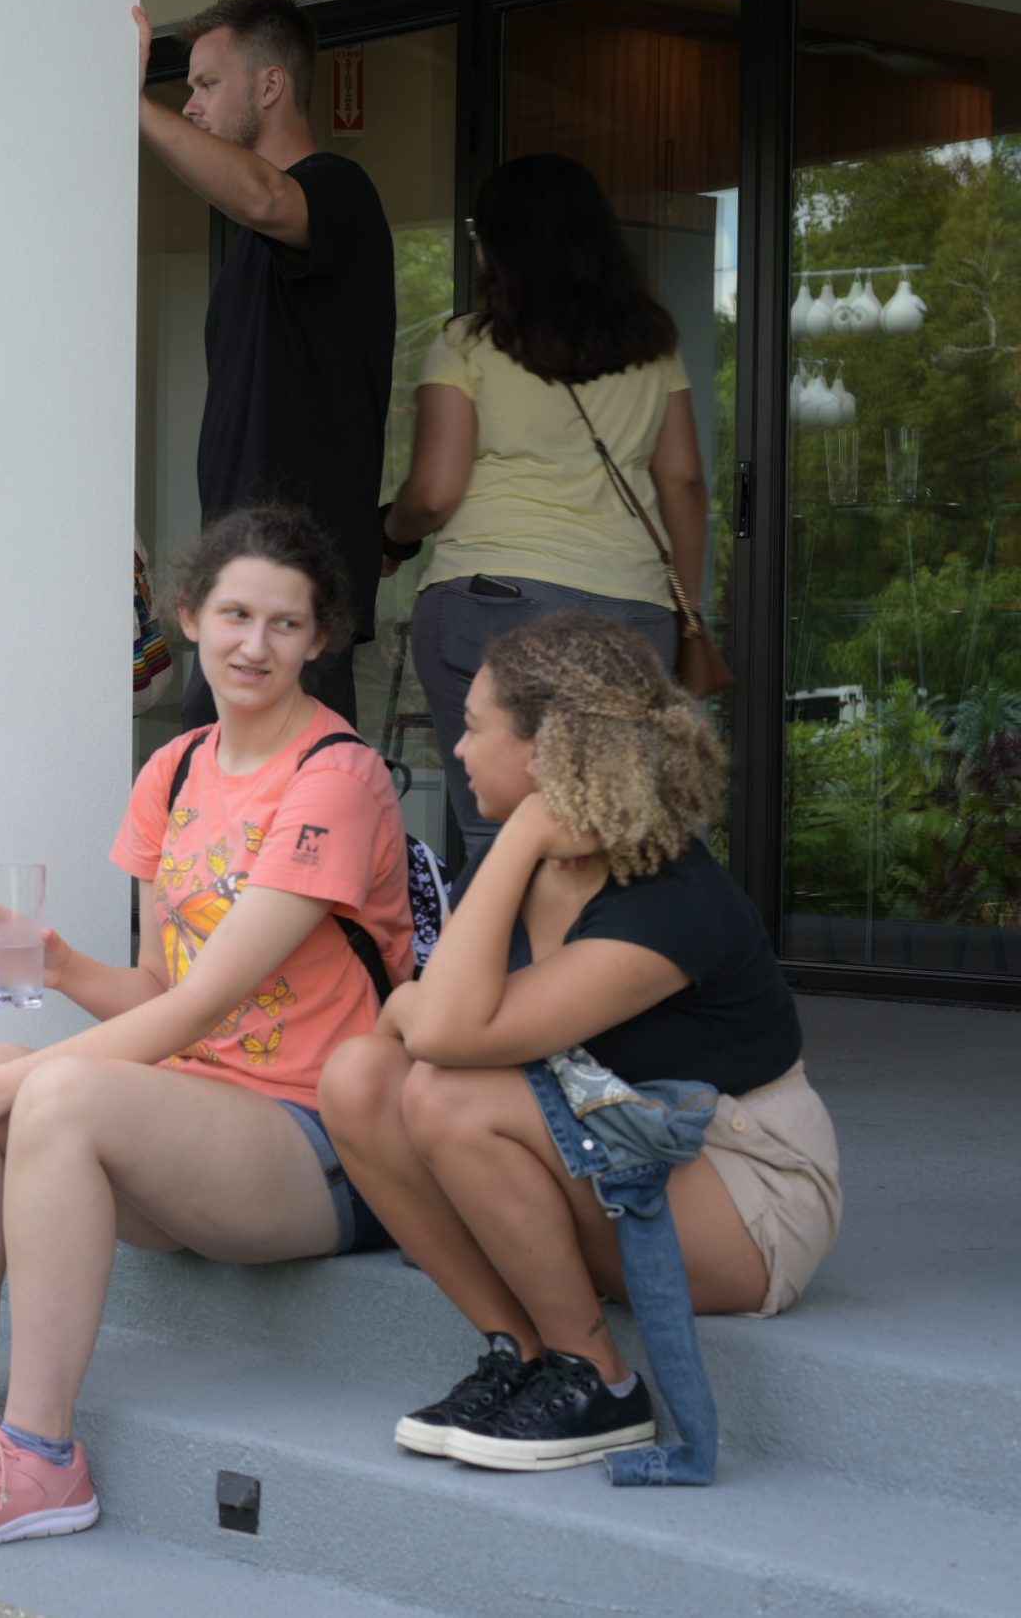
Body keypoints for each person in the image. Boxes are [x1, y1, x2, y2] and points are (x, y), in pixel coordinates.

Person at [0, 509, 412, 1555]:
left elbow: (208, 1003)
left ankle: (41, 1457)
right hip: (193, 1121)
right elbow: (159, 993)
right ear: (188, 617)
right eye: (233, 614)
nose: (253, 644)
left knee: (33, 1089)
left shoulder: (337, 778)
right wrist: (63, 969)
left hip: (320, 1147)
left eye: (284, 623)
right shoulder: (175, 771)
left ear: (318, 639)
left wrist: (16, 1085)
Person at [320, 613, 840, 1473]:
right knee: (359, 1079)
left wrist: (522, 830)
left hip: (748, 1188)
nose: (457, 749)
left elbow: (443, 1026)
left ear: (542, 756)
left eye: (475, 727)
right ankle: (522, 1355)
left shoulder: (667, 899)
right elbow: (407, 1032)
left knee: (448, 1092)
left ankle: (599, 1383)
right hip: (618, 1137)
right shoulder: (531, 872)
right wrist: (506, 864)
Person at [380, 153, 708, 868]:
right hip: (630, 611)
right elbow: (681, 481)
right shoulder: (654, 344)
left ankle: (497, 979)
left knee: (502, 846)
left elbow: (434, 491)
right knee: (619, 840)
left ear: (497, 246)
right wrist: (686, 611)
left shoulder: (466, 343)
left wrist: (389, 533)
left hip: (491, 604)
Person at [133, 0, 394, 728]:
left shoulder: (339, 192)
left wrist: (131, 104)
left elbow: (264, 195)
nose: (190, 105)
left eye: (207, 84)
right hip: (241, 576)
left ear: (271, 85)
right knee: (217, 813)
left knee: (283, 818)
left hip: (296, 586)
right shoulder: (252, 242)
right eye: (186, 90)